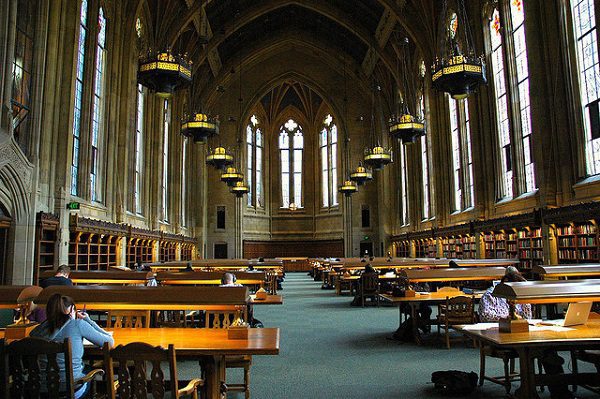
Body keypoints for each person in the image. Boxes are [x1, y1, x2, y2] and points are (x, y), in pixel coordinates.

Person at [479, 267, 574, 399]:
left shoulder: (520, 292)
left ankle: (559, 391)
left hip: (522, 334)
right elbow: (485, 315)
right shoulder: (491, 294)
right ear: (505, 282)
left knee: (546, 346)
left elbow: (527, 317)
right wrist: (510, 317)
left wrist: (522, 311)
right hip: (500, 336)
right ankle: (533, 387)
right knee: (536, 350)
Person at [30, 293, 113, 398]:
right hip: (70, 388)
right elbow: (109, 342)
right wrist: (88, 320)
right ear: (72, 310)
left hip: (41, 388)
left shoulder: (36, 331)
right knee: (88, 369)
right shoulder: (77, 324)